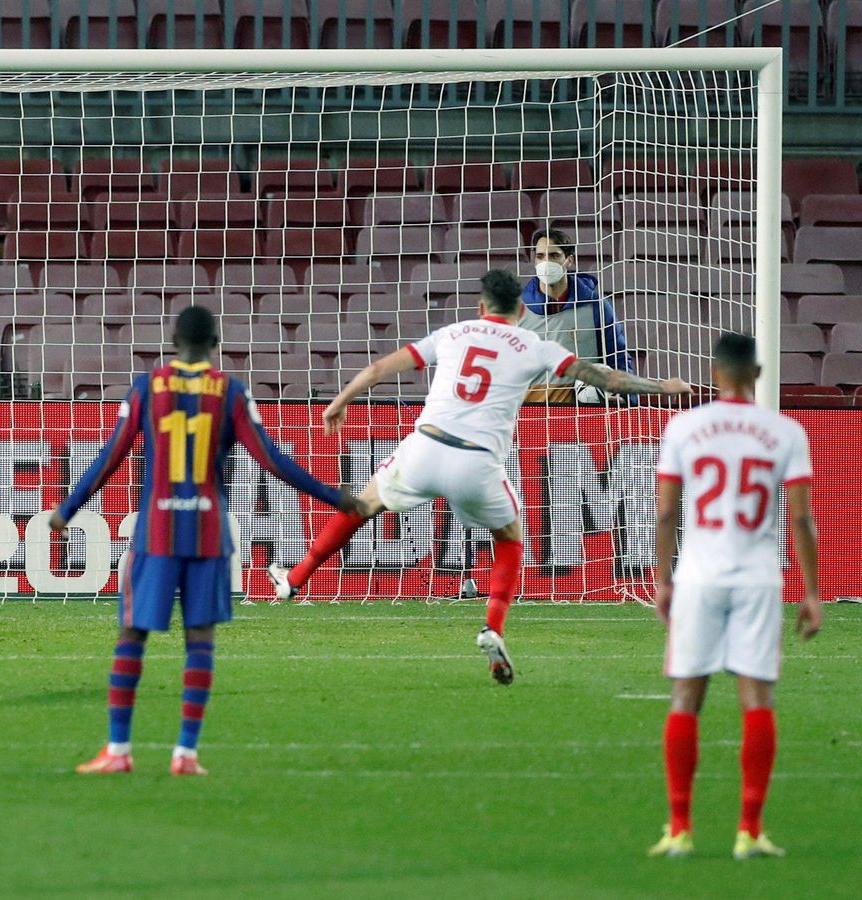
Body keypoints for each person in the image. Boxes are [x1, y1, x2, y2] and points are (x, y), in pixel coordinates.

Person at [269, 270, 690, 683]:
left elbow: (379, 368)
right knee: (509, 538)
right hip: (476, 462)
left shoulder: (453, 333)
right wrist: (662, 388)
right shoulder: (536, 346)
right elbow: (606, 378)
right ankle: (493, 627)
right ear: (521, 310)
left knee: (363, 504)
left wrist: (340, 401)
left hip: (426, 447)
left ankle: (295, 579)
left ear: (481, 307)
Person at [48, 304, 355, 777]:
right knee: (200, 639)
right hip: (209, 534)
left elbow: (111, 455)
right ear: (216, 345)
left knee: (132, 633)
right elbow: (272, 460)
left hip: (156, 533)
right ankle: (186, 754)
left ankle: (119, 749)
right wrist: (335, 496)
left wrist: (68, 508)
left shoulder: (147, 387)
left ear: (173, 343)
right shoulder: (230, 392)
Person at [648, 333, 821, 860]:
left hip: (699, 576)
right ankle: (749, 830)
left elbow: (666, 511)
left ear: (715, 374)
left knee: (686, 698)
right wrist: (813, 592)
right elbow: (801, 519)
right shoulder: (785, 432)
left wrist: (663, 579)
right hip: (757, 579)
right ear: (758, 375)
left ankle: (680, 829)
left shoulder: (685, 427)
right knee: (757, 700)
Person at [522, 228, 637, 403]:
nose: (546, 262)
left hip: (583, 413)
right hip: (530, 412)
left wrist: (628, 400)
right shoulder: (516, 310)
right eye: (540, 256)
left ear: (569, 260)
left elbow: (617, 356)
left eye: (554, 256)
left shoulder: (596, 306)